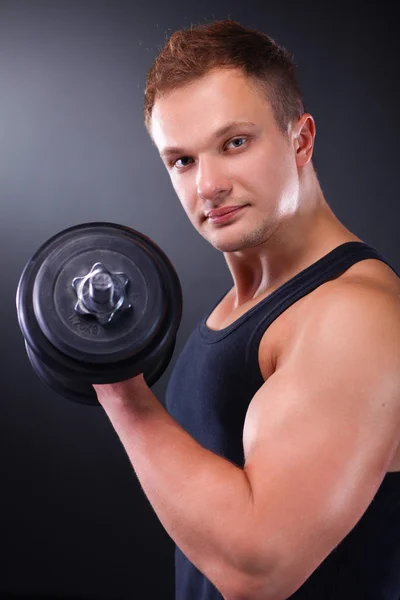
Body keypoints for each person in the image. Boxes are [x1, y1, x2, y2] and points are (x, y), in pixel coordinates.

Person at [93, 20, 400, 600]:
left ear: (300, 140)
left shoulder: (352, 317)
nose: (208, 184)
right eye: (181, 161)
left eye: (235, 143)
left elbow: (261, 570)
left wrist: (119, 388)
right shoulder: (241, 308)